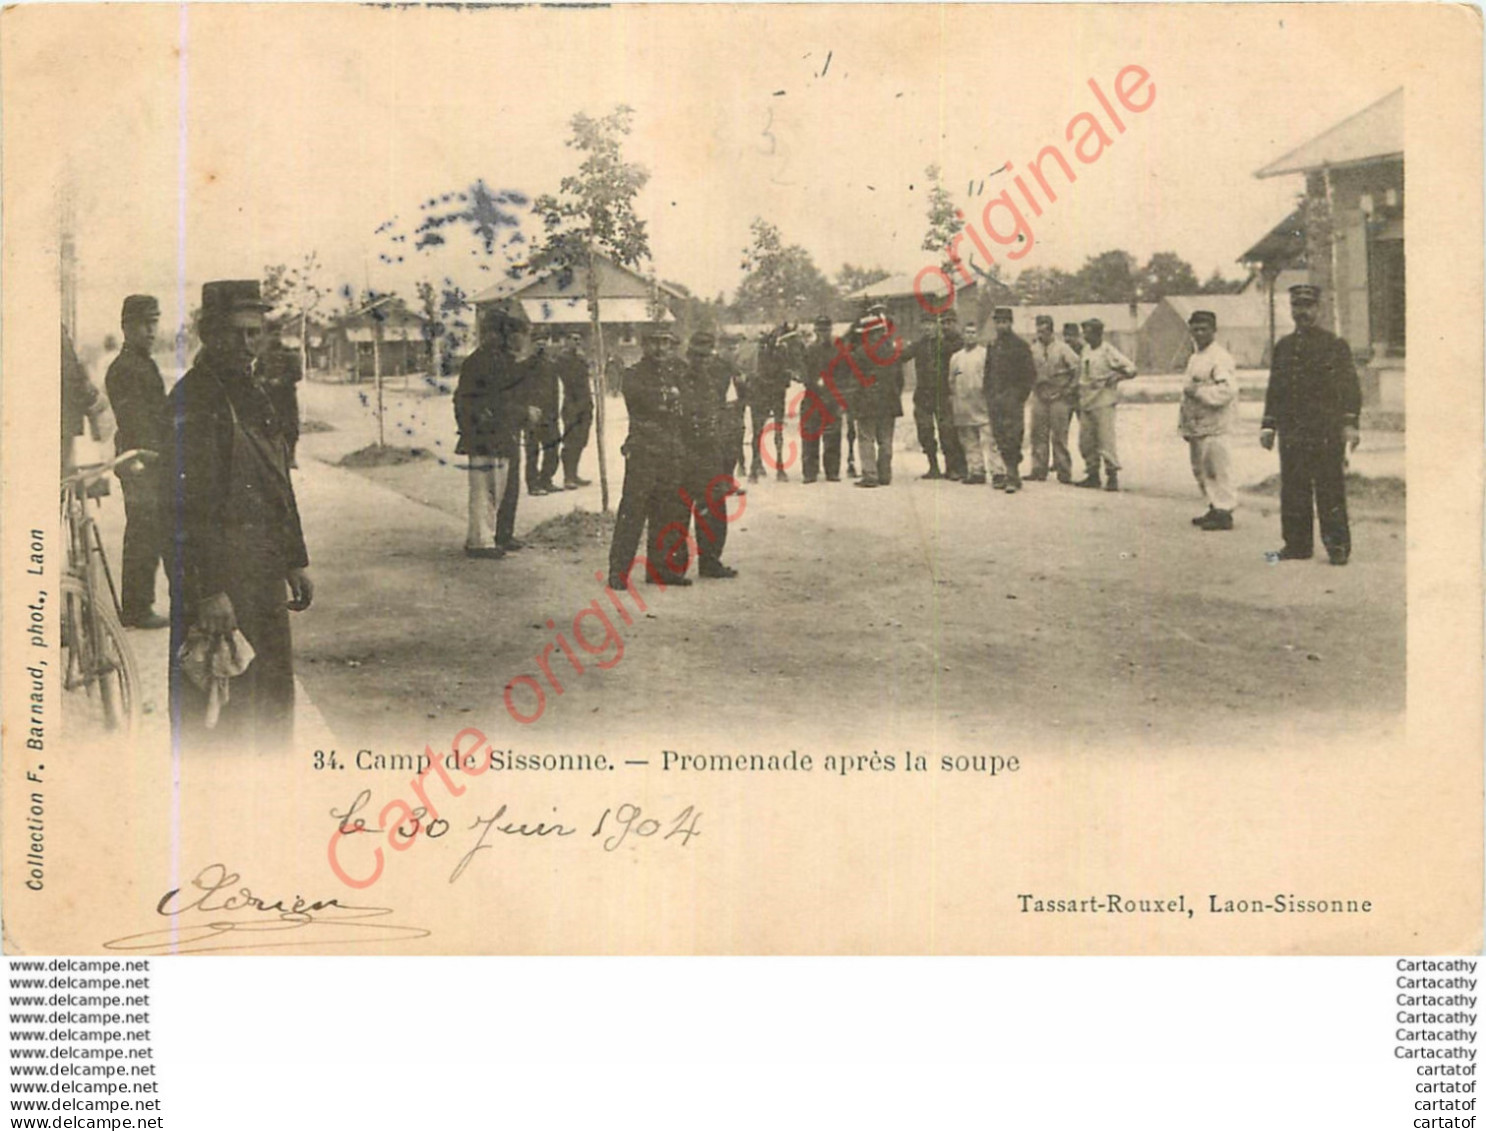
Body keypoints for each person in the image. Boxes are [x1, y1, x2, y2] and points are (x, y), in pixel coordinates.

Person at [168, 279, 312, 754]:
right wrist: (208, 590)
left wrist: (295, 559)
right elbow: (184, 508)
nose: (248, 345)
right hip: (220, 582)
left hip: (264, 574)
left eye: (255, 333)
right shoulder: (194, 399)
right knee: (218, 721)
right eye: (236, 334)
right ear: (210, 334)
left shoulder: (255, 393)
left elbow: (277, 485)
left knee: (270, 702)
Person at [1260, 284, 1362, 564]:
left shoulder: (1334, 345)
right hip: (1292, 431)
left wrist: (1350, 424)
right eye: (1296, 306)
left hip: (1325, 431)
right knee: (1293, 486)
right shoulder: (1284, 347)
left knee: (1329, 487)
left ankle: (1338, 546)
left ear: (1317, 309)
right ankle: (1297, 544)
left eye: (1307, 306)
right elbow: (1276, 389)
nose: (1301, 312)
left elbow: (1350, 388)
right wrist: (1268, 425)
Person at [104, 295, 171, 628]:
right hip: (139, 460)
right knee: (144, 531)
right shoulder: (126, 367)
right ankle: (136, 607)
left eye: (154, 322)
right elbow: (135, 420)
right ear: (127, 326)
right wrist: (154, 452)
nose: (151, 330)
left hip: (148, 457)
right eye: (145, 323)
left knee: (149, 529)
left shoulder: (142, 362)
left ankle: (139, 604)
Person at [607, 329, 690, 588]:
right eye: (654, 342)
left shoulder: (677, 373)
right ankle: (618, 572)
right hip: (643, 451)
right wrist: (669, 399)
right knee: (633, 512)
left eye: (665, 342)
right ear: (645, 345)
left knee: (667, 512)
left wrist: (673, 399)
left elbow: (685, 405)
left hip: (670, 451)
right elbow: (644, 403)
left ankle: (661, 570)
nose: (660, 348)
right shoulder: (633, 375)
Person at [455, 304, 534, 559]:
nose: (497, 338)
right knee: (485, 489)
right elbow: (494, 400)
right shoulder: (487, 361)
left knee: (494, 487)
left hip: (491, 432)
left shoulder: (490, 360)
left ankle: (487, 537)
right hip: (487, 432)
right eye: (495, 332)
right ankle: (480, 541)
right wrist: (523, 414)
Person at [675, 331, 739, 578]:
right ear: (690, 355)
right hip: (685, 450)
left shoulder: (720, 375)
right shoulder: (679, 377)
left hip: (711, 450)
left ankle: (710, 561)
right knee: (680, 509)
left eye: (706, 356)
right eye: (697, 356)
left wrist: (725, 447)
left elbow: (729, 409)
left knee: (713, 508)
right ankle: (676, 565)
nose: (702, 361)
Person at [1179, 310, 1240, 531]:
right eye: (1195, 329)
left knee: (1217, 468)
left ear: (1214, 331)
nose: (1199, 333)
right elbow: (1187, 393)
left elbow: (1227, 390)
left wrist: (1200, 393)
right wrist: (1184, 424)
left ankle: (1225, 511)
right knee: (1201, 469)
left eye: (1204, 329)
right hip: (1197, 424)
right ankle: (1214, 506)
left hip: (1216, 424)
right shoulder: (1195, 357)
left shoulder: (1220, 357)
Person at [1075, 317, 1137, 491]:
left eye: (1087, 332)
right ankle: (1092, 475)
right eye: (1084, 331)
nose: (1084, 335)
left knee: (1105, 440)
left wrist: (1116, 377)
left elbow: (1131, 369)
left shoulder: (1108, 350)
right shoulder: (1086, 350)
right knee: (1086, 441)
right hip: (1086, 399)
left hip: (1103, 400)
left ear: (1097, 333)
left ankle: (1112, 476)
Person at [906, 310, 966, 480]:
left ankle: (952, 468)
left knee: (947, 433)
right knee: (925, 432)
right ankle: (933, 466)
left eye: (931, 324)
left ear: (936, 326)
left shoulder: (946, 345)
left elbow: (961, 349)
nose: (927, 328)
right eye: (924, 324)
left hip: (942, 394)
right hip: (923, 396)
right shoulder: (917, 346)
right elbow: (901, 356)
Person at [982, 307, 1036, 493]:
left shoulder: (1020, 346)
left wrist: (1019, 396)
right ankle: (1008, 473)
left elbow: (1029, 375)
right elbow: (988, 373)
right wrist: (988, 394)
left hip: (1012, 399)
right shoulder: (993, 346)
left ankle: (1013, 475)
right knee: (1000, 436)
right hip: (995, 399)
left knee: (1013, 436)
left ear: (1011, 323)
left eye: (1004, 322)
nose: (1001, 325)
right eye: (998, 322)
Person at [851, 312, 906, 488]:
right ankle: (885, 474)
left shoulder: (860, 352)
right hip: (889, 401)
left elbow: (854, 378)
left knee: (866, 437)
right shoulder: (893, 351)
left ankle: (870, 474)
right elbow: (900, 379)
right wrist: (895, 393)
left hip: (867, 402)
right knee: (886, 439)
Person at [1027, 314, 1081, 484]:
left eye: (1044, 330)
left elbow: (1077, 370)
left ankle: (1064, 471)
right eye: (1038, 330)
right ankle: (1038, 469)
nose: (1040, 334)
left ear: (1051, 330)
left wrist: (1067, 390)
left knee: (1059, 435)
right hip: (1040, 394)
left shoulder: (1063, 348)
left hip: (1060, 395)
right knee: (1038, 434)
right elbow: (1027, 371)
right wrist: (1034, 388)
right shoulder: (1033, 349)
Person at [949, 319, 997, 485]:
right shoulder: (956, 357)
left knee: (990, 439)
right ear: (963, 335)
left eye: (973, 333)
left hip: (982, 403)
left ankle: (998, 471)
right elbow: (952, 380)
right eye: (967, 333)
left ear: (977, 335)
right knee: (969, 440)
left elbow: (991, 378)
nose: (970, 336)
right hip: (963, 405)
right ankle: (976, 471)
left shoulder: (985, 354)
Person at [749, 323, 799, 482]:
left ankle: (772, 466)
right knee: (760, 430)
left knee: (773, 429)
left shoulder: (780, 352)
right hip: (764, 391)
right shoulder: (765, 354)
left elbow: (785, 375)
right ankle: (756, 467)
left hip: (773, 392)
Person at [799, 315, 838, 483]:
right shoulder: (808, 350)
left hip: (832, 397)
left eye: (826, 330)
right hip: (812, 396)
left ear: (831, 330)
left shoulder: (838, 350)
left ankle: (832, 471)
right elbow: (802, 371)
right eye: (820, 330)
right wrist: (811, 381)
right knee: (809, 434)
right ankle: (810, 472)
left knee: (833, 436)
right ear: (815, 331)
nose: (823, 333)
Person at [523, 332, 562, 495]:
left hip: (549, 416)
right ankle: (533, 485)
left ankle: (546, 480)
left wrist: (555, 412)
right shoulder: (525, 366)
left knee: (552, 450)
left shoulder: (550, 365)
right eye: (538, 343)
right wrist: (526, 412)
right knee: (532, 452)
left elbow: (555, 390)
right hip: (532, 416)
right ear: (532, 345)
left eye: (544, 342)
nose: (541, 345)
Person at [556, 331, 593, 490]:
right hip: (572, 404)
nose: (577, 342)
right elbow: (570, 378)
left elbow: (587, 376)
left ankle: (574, 474)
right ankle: (568, 477)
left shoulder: (581, 358)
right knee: (571, 441)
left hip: (585, 403)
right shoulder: (563, 359)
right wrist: (581, 361)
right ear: (566, 341)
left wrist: (583, 360)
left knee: (581, 441)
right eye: (573, 339)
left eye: (579, 339)